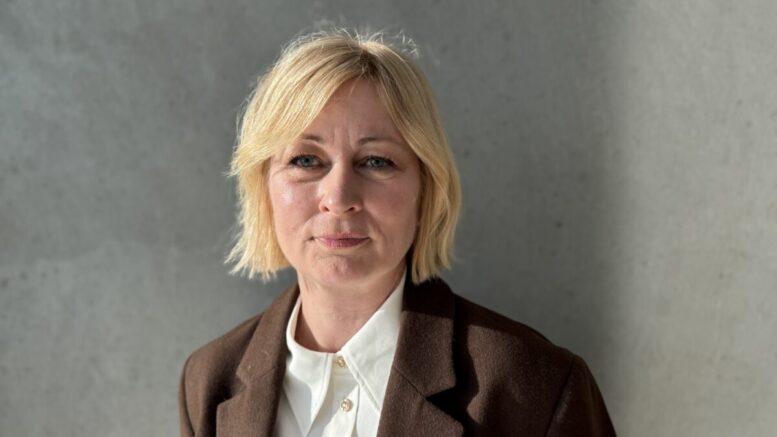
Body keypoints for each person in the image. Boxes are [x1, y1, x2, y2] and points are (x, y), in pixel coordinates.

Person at [178, 28, 616, 437]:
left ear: (426, 190)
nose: (339, 197)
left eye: (376, 161)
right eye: (306, 160)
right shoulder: (210, 381)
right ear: (263, 187)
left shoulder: (535, 386)